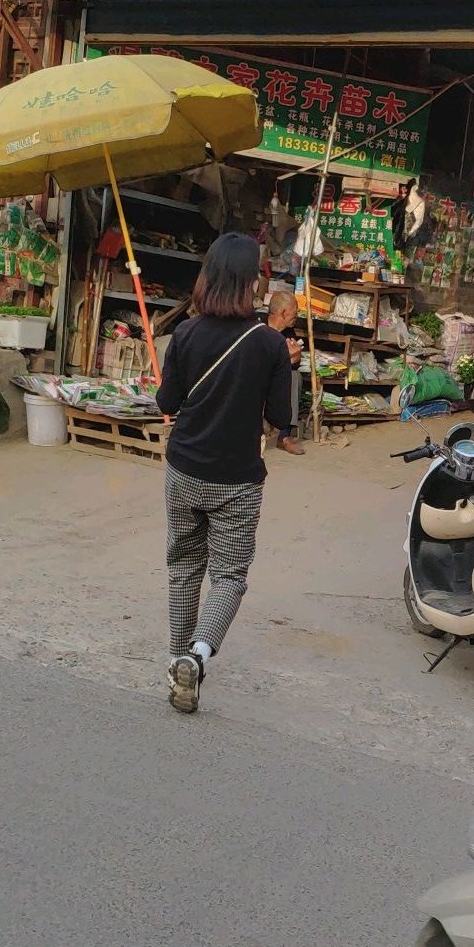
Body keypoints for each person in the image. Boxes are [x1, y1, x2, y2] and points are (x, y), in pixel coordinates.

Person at [156, 233, 292, 715]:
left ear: (208, 275)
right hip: (237, 480)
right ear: (251, 282)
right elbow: (280, 417)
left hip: (184, 469)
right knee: (229, 577)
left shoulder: (186, 334)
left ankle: (176, 661)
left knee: (183, 567)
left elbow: (166, 403)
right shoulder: (271, 344)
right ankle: (197, 656)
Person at [266, 286, 305, 455]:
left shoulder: (289, 333)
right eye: (294, 312)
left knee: (295, 376)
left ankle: (284, 436)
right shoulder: (258, 326)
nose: (296, 316)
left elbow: (291, 364)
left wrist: (295, 359)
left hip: (275, 376)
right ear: (282, 313)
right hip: (255, 374)